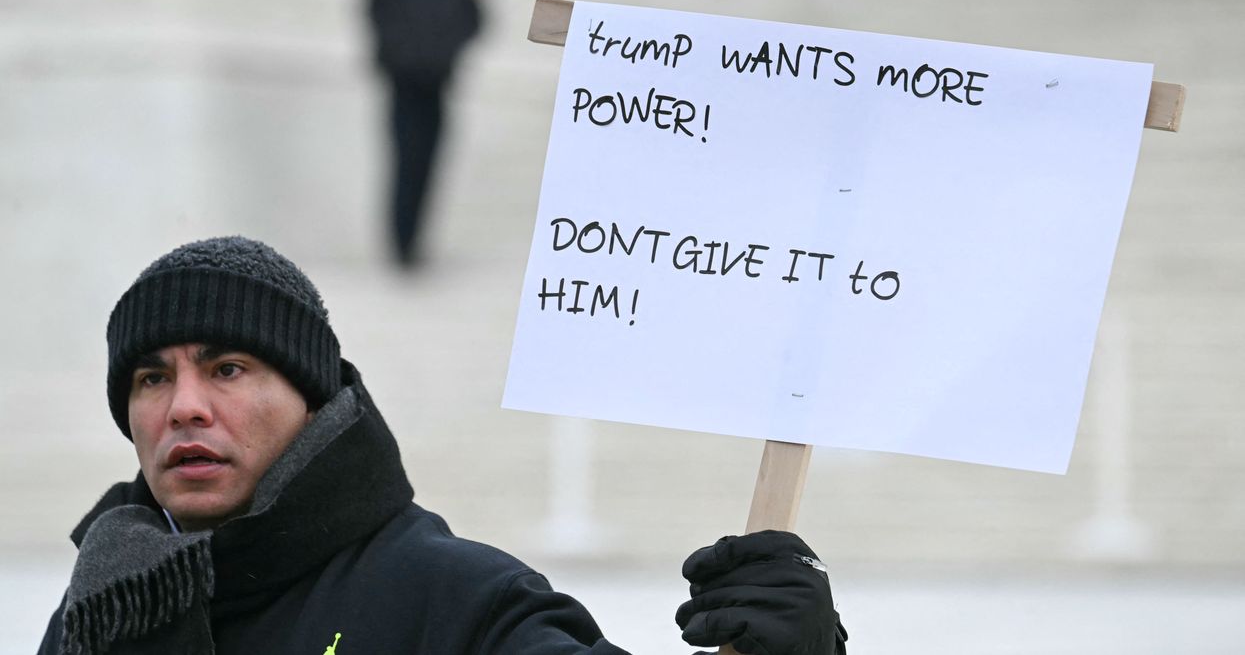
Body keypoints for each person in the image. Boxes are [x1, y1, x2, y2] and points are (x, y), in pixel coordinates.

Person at [37, 236, 848, 654]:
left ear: (313, 402)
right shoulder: (109, 597)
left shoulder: (452, 597)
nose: (183, 407)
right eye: (150, 377)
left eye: (228, 368)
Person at [367, 0, 481, 267]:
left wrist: (441, 54)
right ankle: (401, 244)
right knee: (405, 163)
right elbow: (375, 14)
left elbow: (474, 20)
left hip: (436, 88)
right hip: (403, 88)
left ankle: (414, 241)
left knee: (427, 166)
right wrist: (398, 56)